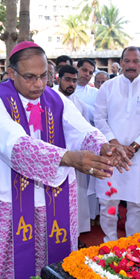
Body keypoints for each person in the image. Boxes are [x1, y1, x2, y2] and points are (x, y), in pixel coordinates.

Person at [0, 41, 130, 279]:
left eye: (44, 76)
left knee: (50, 269)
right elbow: (14, 145)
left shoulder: (57, 99)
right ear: (11, 74)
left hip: (52, 202)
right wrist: (69, 159)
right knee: (2, 277)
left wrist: (102, 146)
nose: (39, 84)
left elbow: (81, 129)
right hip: (7, 201)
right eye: (30, 77)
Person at [94, 46, 140, 242]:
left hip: (138, 157)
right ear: (121, 63)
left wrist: (133, 148)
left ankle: (132, 245)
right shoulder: (108, 87)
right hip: (110, 156)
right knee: (109, 203)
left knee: (136, 204)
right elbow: (99, 118)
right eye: (127, 61)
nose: (131, 65)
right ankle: (111, 242)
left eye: (135, 61)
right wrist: (116, 146)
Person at [56, 65, 92, 238]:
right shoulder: (49, 99)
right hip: (57, 159)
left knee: (78, 200)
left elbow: (84, 131)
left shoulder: (80, 104)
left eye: (74, 80)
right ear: (58, 79)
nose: (71, 84)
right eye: (67, 79)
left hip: (77, 159)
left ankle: (76, 237)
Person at [74, 59, 98, 123]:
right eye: (84, 70)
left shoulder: (96, 93)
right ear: (76, 69)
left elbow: (99, 116)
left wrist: (79, 105)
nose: (87, 74)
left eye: (90, 73)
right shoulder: (58, 89)